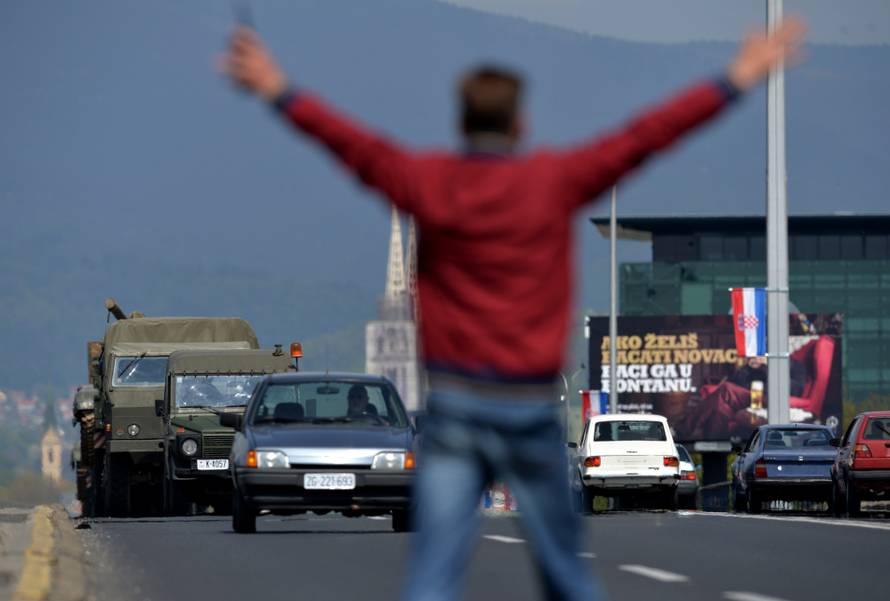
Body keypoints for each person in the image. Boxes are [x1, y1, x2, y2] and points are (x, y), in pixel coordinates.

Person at [219, 17, 805, 601]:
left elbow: (351, 144)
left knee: (433, 577)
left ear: (460, 123)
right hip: (527, 409)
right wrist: (735, 78)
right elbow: (646, 135)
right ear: (521, 124)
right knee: (568, 575)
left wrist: (277, 87)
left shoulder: (429, 182)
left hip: (454, 409)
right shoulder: (553, 181)